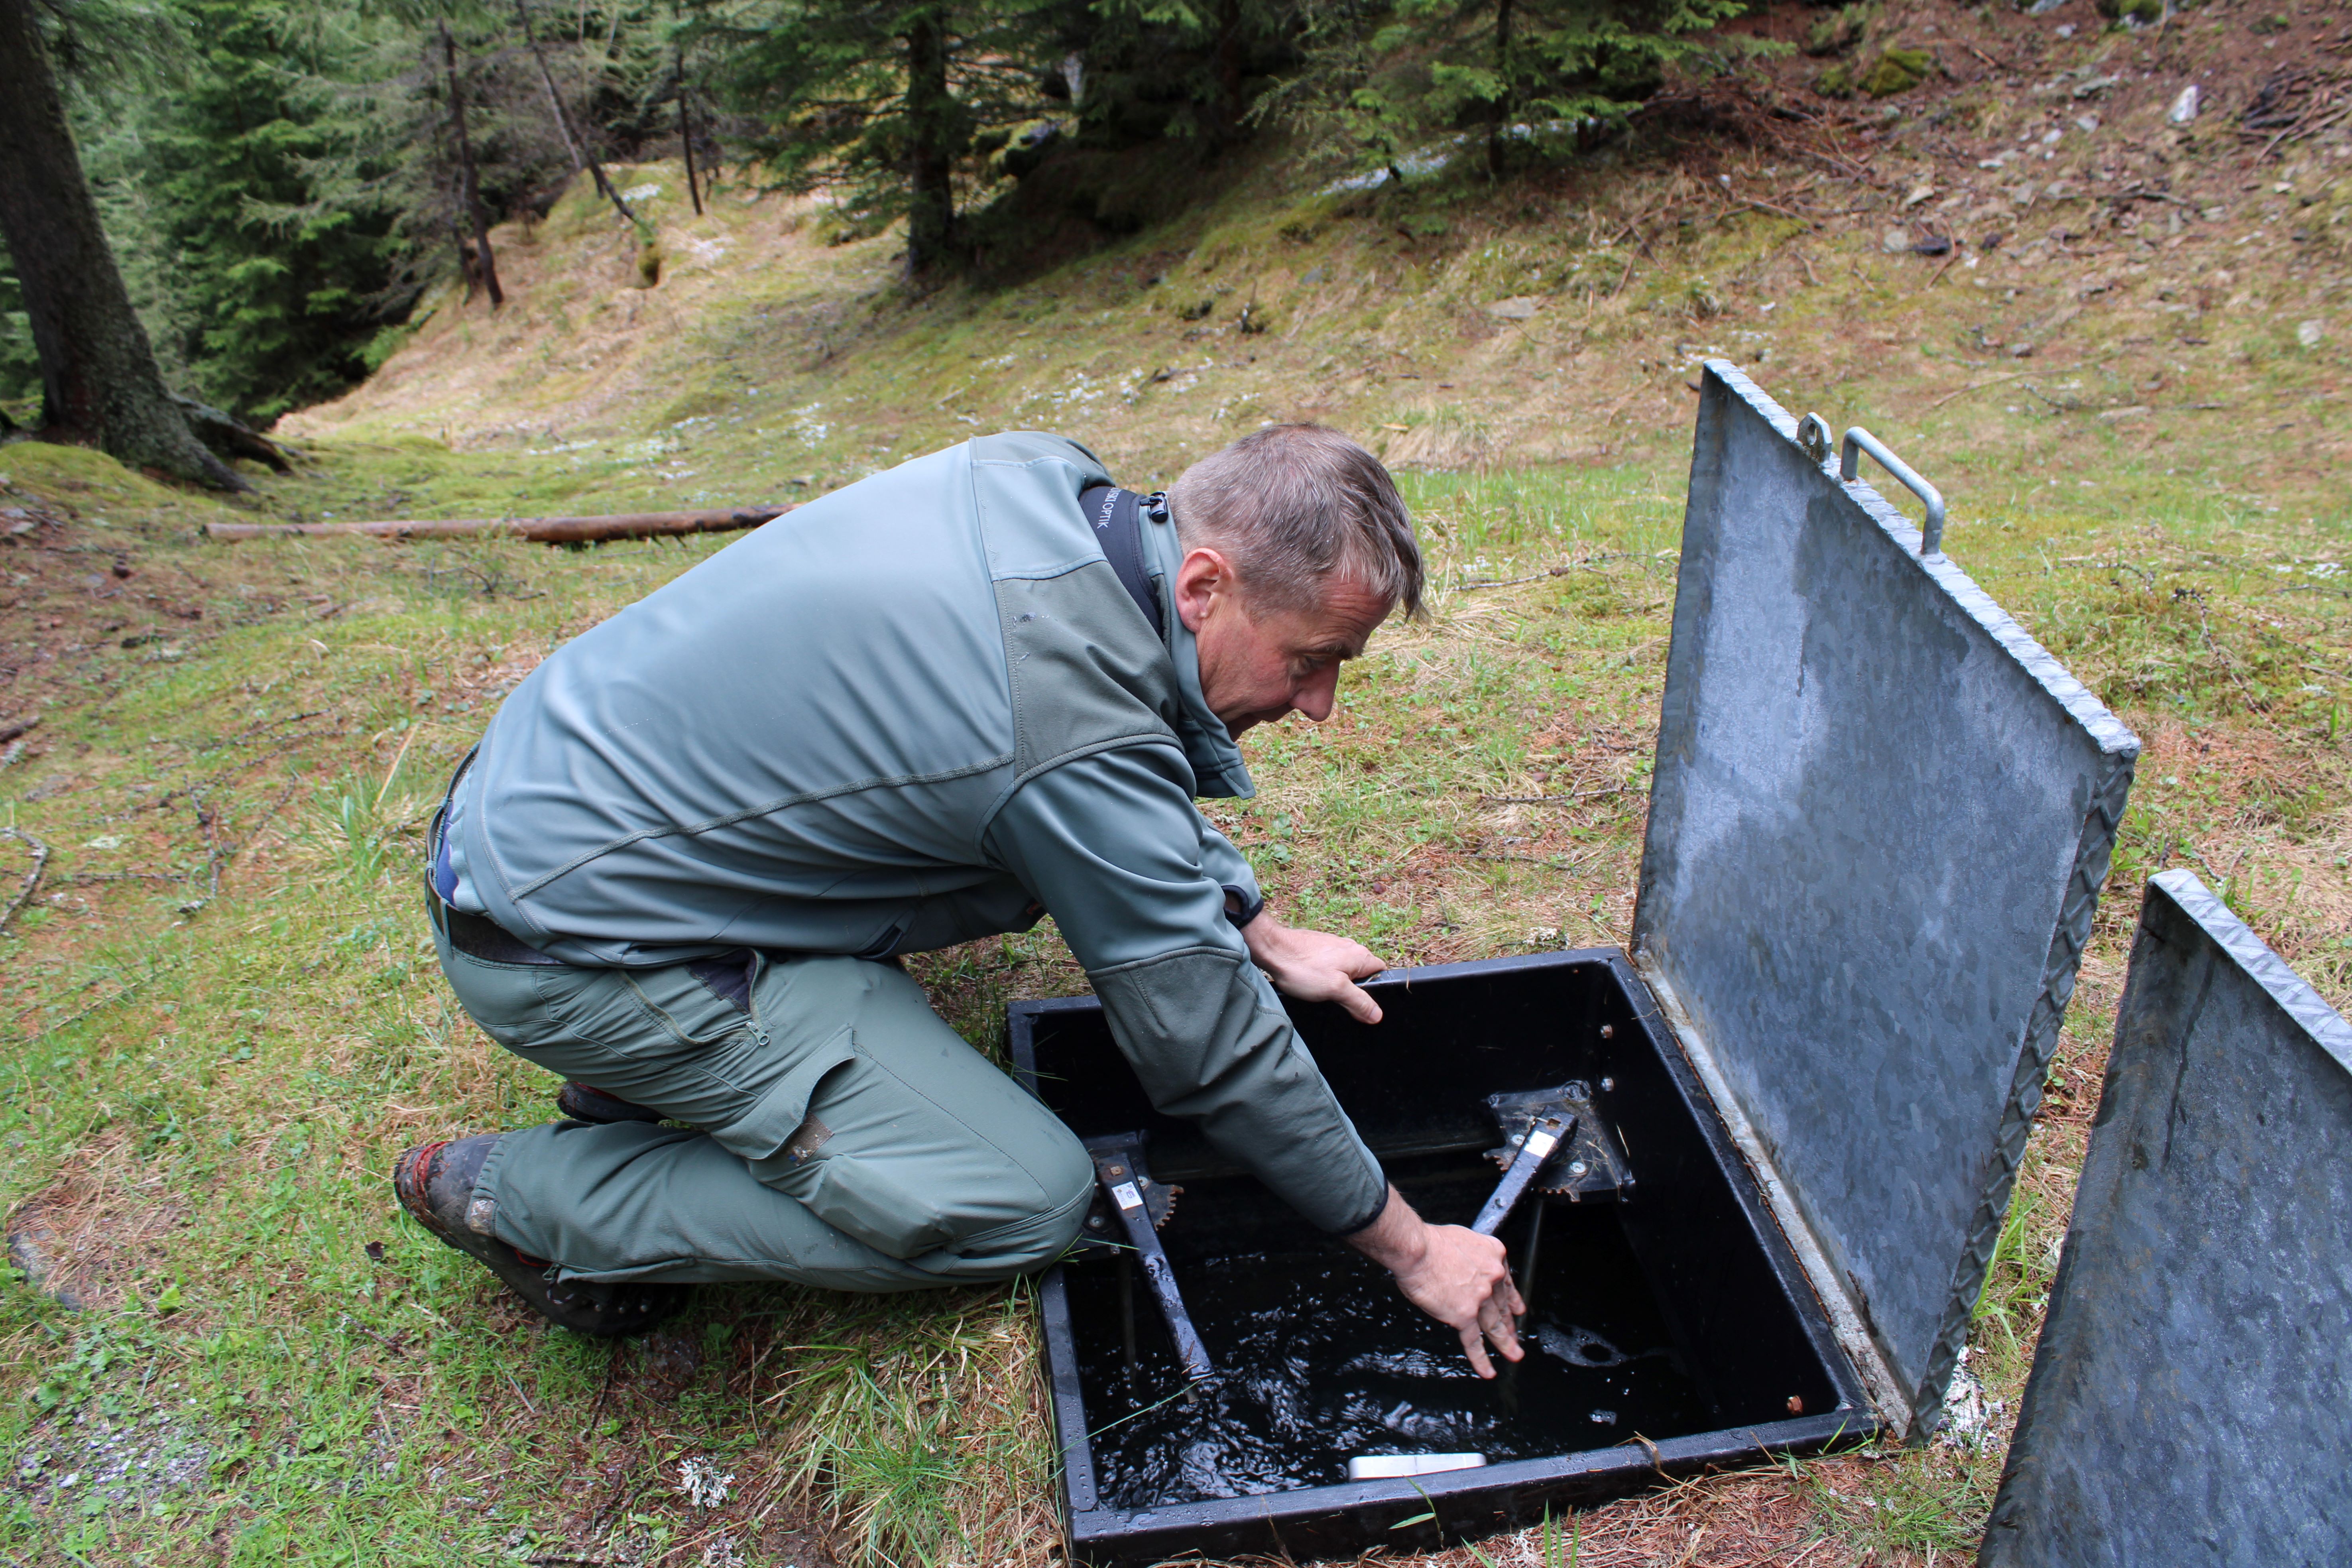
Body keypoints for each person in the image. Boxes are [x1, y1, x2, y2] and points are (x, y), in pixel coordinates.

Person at [394, 424, 1526, 1377]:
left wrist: (1251, 924)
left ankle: (665, 1067)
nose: (1320, 703)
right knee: (1016, 1202)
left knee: (1000, 847)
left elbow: (1108, 745)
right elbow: (1210, 1051)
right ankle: (536, 1199)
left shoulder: (1052, 486)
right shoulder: (1058, 720)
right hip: (563, 942)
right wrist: (1412, 1247)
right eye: (1312, 658)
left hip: (558, 798)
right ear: (1202, 586)